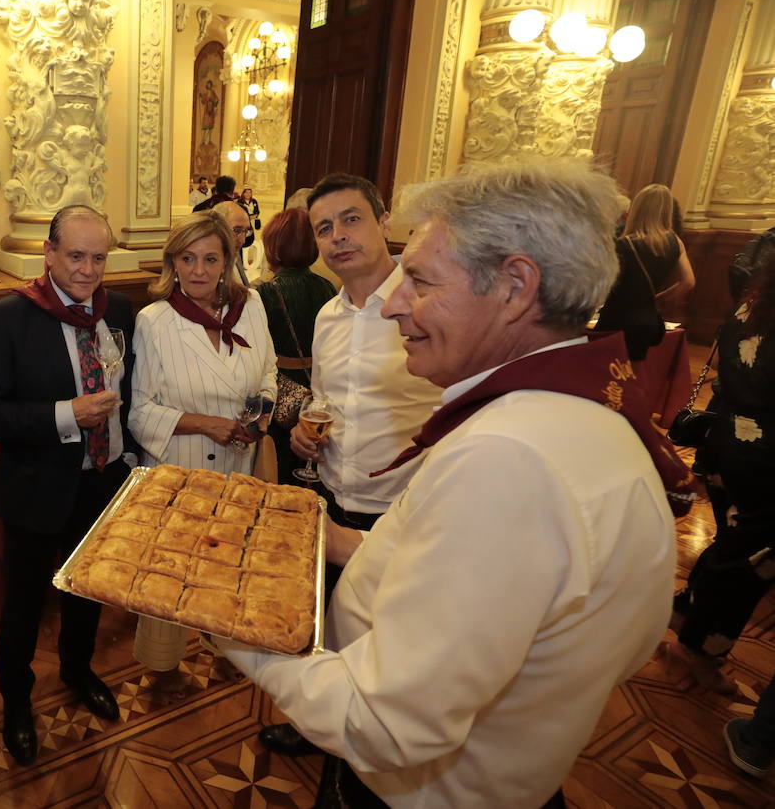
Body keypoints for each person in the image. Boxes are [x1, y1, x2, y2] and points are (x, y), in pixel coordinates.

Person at [220, 158, 690, 808]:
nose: (392, 304)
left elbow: (381, 724)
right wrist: (341, 542)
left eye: (418, 279)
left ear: (514, 286)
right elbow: (604, 625)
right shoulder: (594, 414)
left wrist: (231, 618)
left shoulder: (507, 463)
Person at [257, 173, 441, 758]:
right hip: (333, 496)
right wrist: (310, 439)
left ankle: (383, 748)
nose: (339, 236)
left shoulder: (427, 305)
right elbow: (325, 400)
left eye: (352, 219)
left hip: (404, 505)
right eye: (325, 227)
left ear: (384, 223)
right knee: (333, 621)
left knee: (395, 644)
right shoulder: (329, 318)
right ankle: (325, 725)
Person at [0, 204, 135, 766]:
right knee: (22, 608)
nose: (88, 270)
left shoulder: (121, 314)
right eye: (76, 256)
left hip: (102, 484)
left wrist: (126, 452)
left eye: (98, 258)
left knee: (87, 592)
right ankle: (16, 703)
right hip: (37, 488)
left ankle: (77, 669)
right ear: (49, 253)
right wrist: (67, 414)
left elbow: (130, 397)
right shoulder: (10, 317)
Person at [128, 210, 277, 687]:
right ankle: (162, 664)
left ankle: (225, 645)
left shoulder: (251, 305)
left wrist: (263, 414)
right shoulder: (154, 321)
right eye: (187, 258)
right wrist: (207, 425)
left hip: (239, 462)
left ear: (227, 260)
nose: (198, 270)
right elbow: (140, 411)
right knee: (170, 571)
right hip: (179, 466)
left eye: (210, 258)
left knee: (226, 564)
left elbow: (270, 371)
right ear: (172, 262)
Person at [667, 252, 775, 696]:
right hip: (767, 460)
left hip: (727, 444)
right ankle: (702, 649)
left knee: (731, 542)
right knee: (755, 562)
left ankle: (687, 610)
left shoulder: (750, 306)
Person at [254, 207, 336, 487]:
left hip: (282, 386)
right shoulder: (328, 287)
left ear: (273, 246)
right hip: (316, 384)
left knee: (280, 460)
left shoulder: (264, 292)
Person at [593, 183, 694, 361]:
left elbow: (609, 285)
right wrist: (658, 298)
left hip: (616, 319)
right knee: (636, 375)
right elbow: (688, 281)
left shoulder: (625, 244)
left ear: (637, 208)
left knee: (605, 376)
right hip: (647, 319)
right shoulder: (675, 241)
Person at [215, 200, 253, 286]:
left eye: (246, 231)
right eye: (236, 230)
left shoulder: (234, 254)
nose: (243, 240)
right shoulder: (204, 265)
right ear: (217, 227)